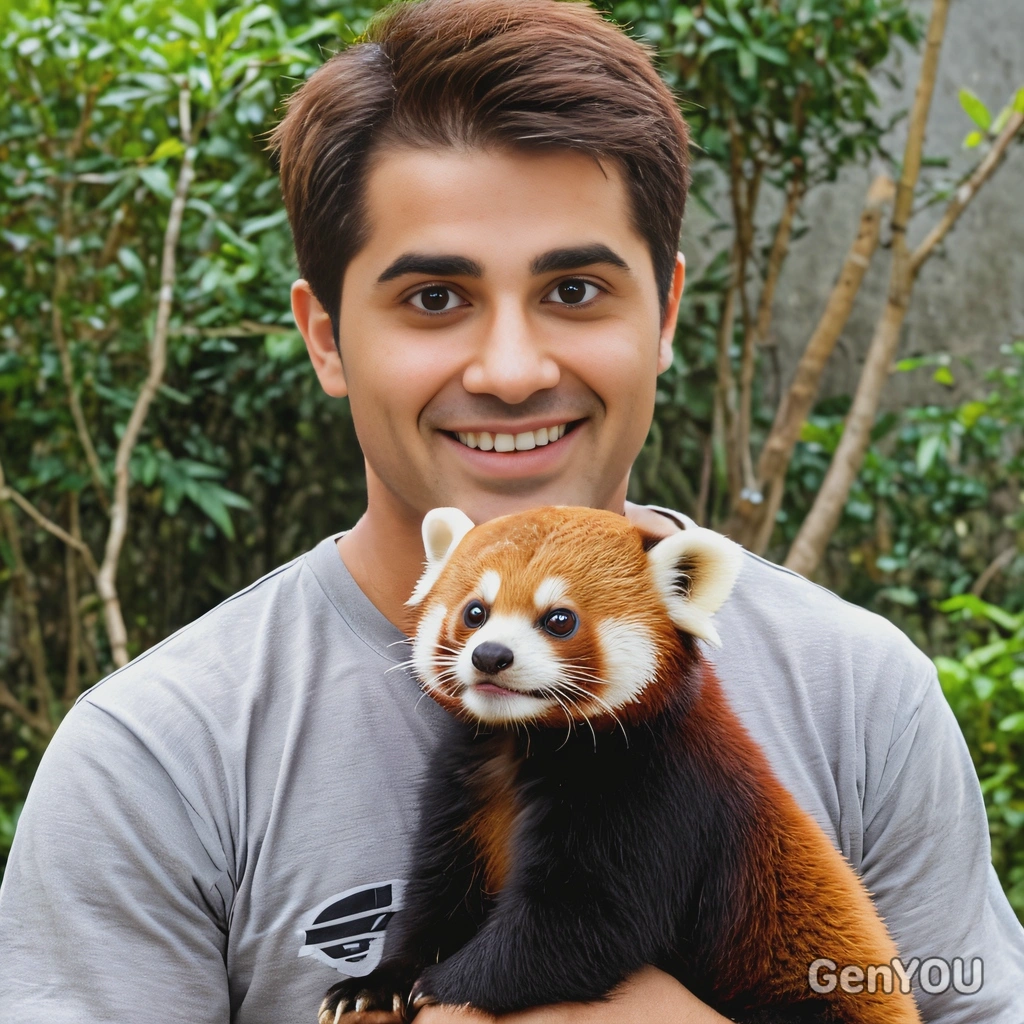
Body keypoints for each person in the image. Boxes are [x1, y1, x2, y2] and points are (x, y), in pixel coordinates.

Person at [1, 0, 1022, 1021]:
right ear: (324, 337)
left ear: (664, 316)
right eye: (434, 299)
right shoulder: (155, 759)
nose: (511, 371)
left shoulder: (861, 694)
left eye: (574, 290)